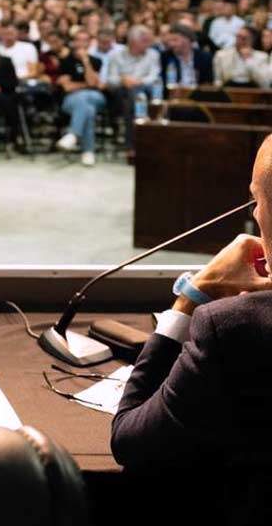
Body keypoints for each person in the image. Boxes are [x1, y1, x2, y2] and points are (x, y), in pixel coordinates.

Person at [111, 136, 272, 523]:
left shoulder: (233, 326)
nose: (253, 213)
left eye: (257, 200)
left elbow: (131, 442)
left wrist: (192, 297)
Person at [53, 30, 106, 166]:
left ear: (89, 42)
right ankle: (88, 152)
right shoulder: (65, 61)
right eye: (79, 40)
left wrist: (86, 61)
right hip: (71, 99)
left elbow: (93, 83)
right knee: (88, 109)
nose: (81, 43)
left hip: (96, 97)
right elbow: (67, 87)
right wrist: (86, 85)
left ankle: (73, 134)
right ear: (74, 42)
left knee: (84, 98)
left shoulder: (97, 61)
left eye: (85, 40)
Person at [107, 25, 161, 156]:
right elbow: (111, 79)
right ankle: (139, 134)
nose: (149, 44)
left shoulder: (153, 54)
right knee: (131, 96)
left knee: (134, 97)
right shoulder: (116, 55)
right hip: (120, 92)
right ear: (133, 42)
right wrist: (122, 79)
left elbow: (154, 76)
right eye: (145, 41)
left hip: (144, 90)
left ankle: (131, 145)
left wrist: (138, 81)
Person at [159, 24, 214, 88]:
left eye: (175, 40)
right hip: (175, 94)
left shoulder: (205, 57)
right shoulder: (166, 57)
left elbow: (208, 83)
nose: (171, 44)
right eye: (170, 41)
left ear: (187, 39)